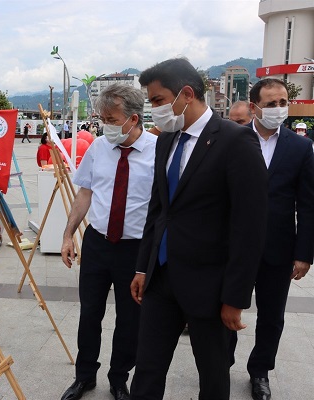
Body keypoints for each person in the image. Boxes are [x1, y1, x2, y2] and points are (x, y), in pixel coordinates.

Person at [129, 58, 268, 400]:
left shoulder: (236, 142)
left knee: (213, 374)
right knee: (147, 367)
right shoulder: (166, 140)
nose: (155, 110)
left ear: (186, 94)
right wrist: (143, 266)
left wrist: (235, 298)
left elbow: (249, 229)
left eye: (159, 100)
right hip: (161, 279)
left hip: (210, 286)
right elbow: (158, 209)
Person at [60, 84, 156, 400]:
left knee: (130, 320)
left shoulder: (158, 151)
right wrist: (67, 234)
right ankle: (85, 376)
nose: (106, 125)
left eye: (111, 118)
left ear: (133, 118)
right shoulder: (99, 147)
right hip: (98, 244)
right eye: (103, 118)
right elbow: (85, 192)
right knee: (90, 314)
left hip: (135, 250)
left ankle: (119, 379)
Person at [228, 78, 314, 400]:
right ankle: (220, 364)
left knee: (272, 317)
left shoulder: (300, 147)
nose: (279, 109)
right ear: (254, 107)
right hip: (233, 247)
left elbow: (307, 203)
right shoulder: (233, 140)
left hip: (278, 248)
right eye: (271, 104)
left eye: (283, 103)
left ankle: (260, 372)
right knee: (227, 309)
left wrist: (304, 252)